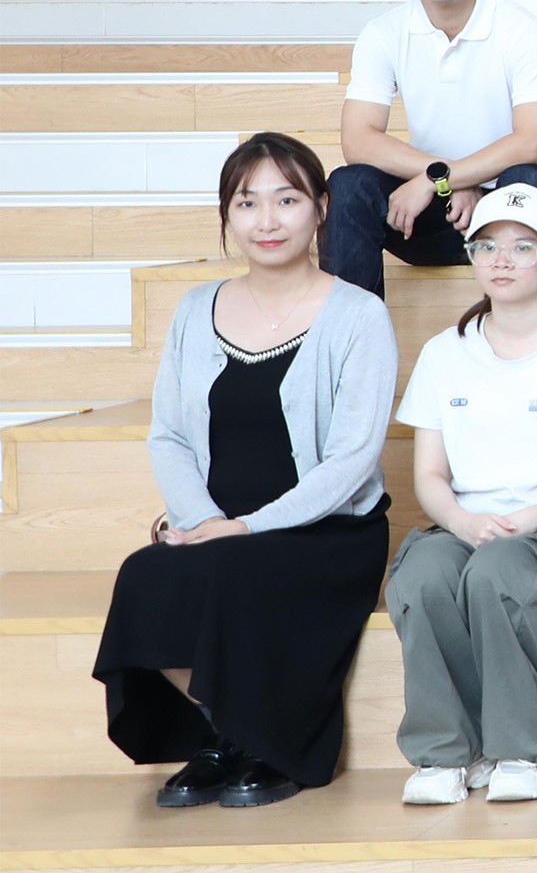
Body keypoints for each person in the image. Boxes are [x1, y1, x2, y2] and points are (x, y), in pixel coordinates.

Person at [96, 130, 397, 808]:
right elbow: (169, 436)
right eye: (247, 202)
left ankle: (269, 742)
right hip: (217, 526)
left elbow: (352, 459)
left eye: (287, 200)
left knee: (234, 570)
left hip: (327, 533)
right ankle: (224, 732)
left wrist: (246, 529)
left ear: (321, 209)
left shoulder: (359, 316)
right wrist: (203, 522)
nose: (267, 220)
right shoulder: (195, 308)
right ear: (227, 216)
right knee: (145, 574)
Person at [384, 181, 537, 807]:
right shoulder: (445, 352)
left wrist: (525, 520)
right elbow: (430, 477)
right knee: (422, 577)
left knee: (498, 569)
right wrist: (464, 523)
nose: (502, 260)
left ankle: (521, 754)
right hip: (470, 525)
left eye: (523, 247)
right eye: (486, 246)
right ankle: (446, 755)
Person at [329, 0, 537, 305]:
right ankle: (351, 338)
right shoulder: (383, 34)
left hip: (520, 208)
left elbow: (531, 144)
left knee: (529, 178)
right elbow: (358, 141)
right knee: (349, 185)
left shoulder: (523, 30)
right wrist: (443, 180)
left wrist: (441, 178)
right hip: (430, 216)